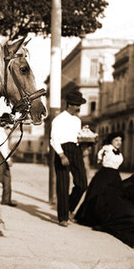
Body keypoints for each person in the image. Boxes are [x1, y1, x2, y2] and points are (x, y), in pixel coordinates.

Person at [50, 89, 88, 226]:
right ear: (70, 104)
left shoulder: (77, 121)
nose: (79, 108)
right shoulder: (58, 119)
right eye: (77, 105)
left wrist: (86, 142)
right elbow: (53, 139)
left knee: (82, 183)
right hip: (62, 150)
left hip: (76, 149)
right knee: (63, 185)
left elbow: (77, 136)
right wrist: (61, 155)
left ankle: (69, 208)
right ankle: (63, 217)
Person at [75, 131, 124, 227]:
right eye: (116, 140)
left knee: (112, 197)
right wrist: (100, 158)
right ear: (111, 141)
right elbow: (99, 156)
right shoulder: (107, 148)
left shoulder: (119, 153)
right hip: (105, 175)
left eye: (120, 140)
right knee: (98, 195)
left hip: (115, 176)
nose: (119, 142)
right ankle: (91, 218)